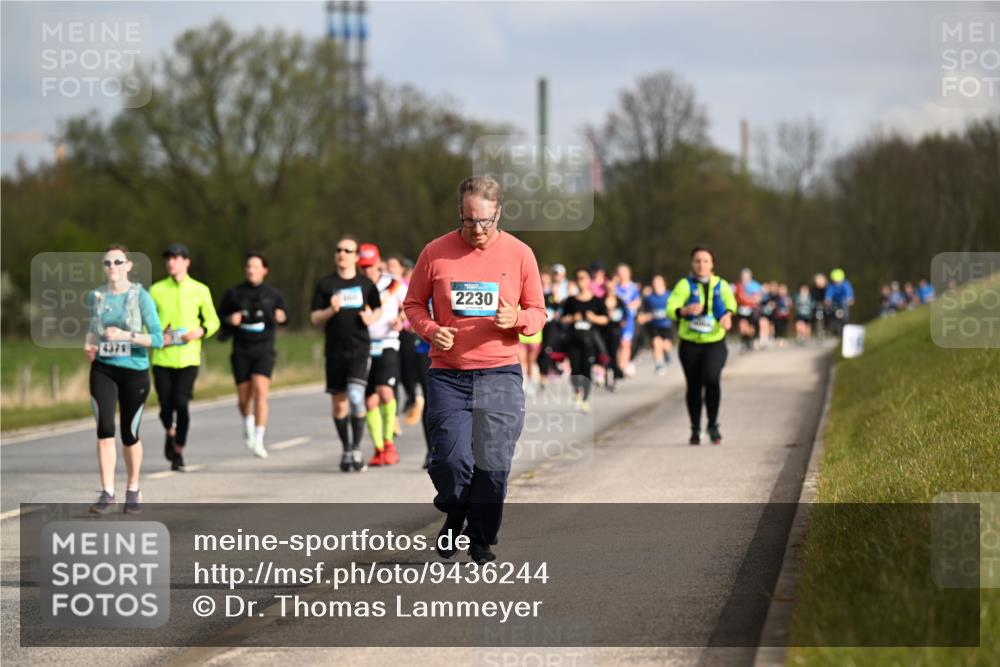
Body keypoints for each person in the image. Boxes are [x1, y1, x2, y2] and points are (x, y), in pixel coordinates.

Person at [402, 175, 545, 565]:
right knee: (450, 461)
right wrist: (432, 330)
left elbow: (538, 313)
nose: (477, 230)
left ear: (498, 212)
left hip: (500, 373)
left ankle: (480, 539)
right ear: (460, 214)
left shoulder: (520, 254)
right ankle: (456, 508)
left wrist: (517, 317)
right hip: (449, 374)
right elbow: (413, 305)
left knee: (494, 465)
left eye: (485, 221)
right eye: (468, 221)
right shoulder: (435, 253)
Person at [85, 245, 164, 514]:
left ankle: (133, 489)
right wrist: (89, 346)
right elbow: (92, 332)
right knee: (105, 429)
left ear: (128, 265)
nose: (113, 267)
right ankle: (107, 493)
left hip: (134, 371)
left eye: (118, 262)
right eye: (107, 263)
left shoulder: (141, 297)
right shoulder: (95, 297)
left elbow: (158, 338)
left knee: (129, 434)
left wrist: (126, 336)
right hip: (103, 369)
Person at [310, 235, 382, 472]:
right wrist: (332, 309)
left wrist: (371, 317)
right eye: (338, 249)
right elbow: (314, 318)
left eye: (347, 250)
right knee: (340, 405)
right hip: (334, 351)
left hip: (359, 349)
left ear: (355, 256)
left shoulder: (365, 284)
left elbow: (378, 308)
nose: (342, 253)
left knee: (355, 396)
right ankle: (347, 449)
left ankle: (358, 449)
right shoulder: (325, 285)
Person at [150, 243, 220, 471]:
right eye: (168, 258)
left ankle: (178, 450)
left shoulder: (200, 290)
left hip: (189, 358)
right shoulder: (156, 290)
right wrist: (157, 335)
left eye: (177, 258)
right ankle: (170, 431)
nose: (171, 262)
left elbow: (213, 320)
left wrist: (200, 331)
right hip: (162, 358)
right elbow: (145, 323)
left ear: (187, 262)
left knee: (181, 403)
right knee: (164, 407)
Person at [218, 252, 287, 459]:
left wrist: (281, 316)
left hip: (264, 348)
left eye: (256, 267)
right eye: (248, 266)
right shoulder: (234, 293)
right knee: (243, 396)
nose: (251, 270)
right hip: (241, 349)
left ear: (264, 270)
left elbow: (284, 315)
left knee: (260, 391)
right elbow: (220, 317)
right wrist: (231, 319)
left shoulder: (273, 295)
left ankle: (259, 438)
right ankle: (247, 421)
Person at [667, 246, 737, 446]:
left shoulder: (721, 284)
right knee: (694, 386)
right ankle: (695, 427)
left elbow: (731, 302)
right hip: (690, 344)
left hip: (715, 342)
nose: (701, 265)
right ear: (692, 263)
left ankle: (713, 424)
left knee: (712, 380)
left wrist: (727, 316)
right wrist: (684, 310)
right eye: (697, 261)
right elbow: (670, 307)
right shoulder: (684, 285)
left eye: (705, 261)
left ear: (712, 264)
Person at [359, 243, 406, 467]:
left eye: (370, 265)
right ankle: (378, 449)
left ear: (378, 263)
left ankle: (389, 444)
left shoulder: (394, 284)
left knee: (386, 392)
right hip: (364, 346)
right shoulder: (357, 286)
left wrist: (402, 319)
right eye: (363, 266)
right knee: (369, 400)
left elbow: (411, 306)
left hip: (387, 343)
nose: (367, 270)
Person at [560, 268, 609, 412]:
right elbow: (562, 319)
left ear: (589, 280)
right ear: (575, 282)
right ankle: (576, 391)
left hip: (590, 341)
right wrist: (572, 318)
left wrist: (593, 318)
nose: (581, 282)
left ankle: (585, 400)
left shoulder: (597, 301)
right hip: (574, 340)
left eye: (584, 278)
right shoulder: (570, 301)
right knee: (575, 369)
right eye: (578, 279)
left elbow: (606, 319)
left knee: (587, 370)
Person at [639, 274, 674, 375]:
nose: (656, 284)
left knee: (665, 346)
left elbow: (676, 309)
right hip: (654, 326)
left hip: (667, 326)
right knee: (656, 343)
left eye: (659, 282)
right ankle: (659, 365)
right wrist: (646, 316)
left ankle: (666, 353)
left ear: (663, 283)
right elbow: (643, 312)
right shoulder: (649, 298)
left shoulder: (669, 295)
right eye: (654, 283)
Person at [613, 263, 642, 378]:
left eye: (624, 272)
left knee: (625, 343)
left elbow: (637, 301)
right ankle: (620, 365)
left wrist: (631, 306)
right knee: (618, 344)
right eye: (619, 272)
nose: (621, 275)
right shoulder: (615, 287)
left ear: (629, 273)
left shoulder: (633, 287)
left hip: (628, 319)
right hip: (616, 320)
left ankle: (622, 366)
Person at [733, 268, 761, 352]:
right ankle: (744, 343)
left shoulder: (754, 285)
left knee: (750, 328)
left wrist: (751, 299)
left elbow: (758, 298)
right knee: (742, 326)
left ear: (750, 277)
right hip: (741, 309)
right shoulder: (737, 285)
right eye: (743, 276)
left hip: (752, 310)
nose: (744, 278)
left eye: (746, 276)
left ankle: (750, 341)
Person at [824, 268, 855, 336]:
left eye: (837, 280)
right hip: (835, 302)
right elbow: (829, 293)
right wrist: (828, 299)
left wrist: (850, 299)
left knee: (845, 314)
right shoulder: (831, 285)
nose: (836, 282)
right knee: (831, 312)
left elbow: (849, 292)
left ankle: (845, 326)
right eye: (835, 280)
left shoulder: (846, 284)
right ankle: (834, 326)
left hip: (843, 302)